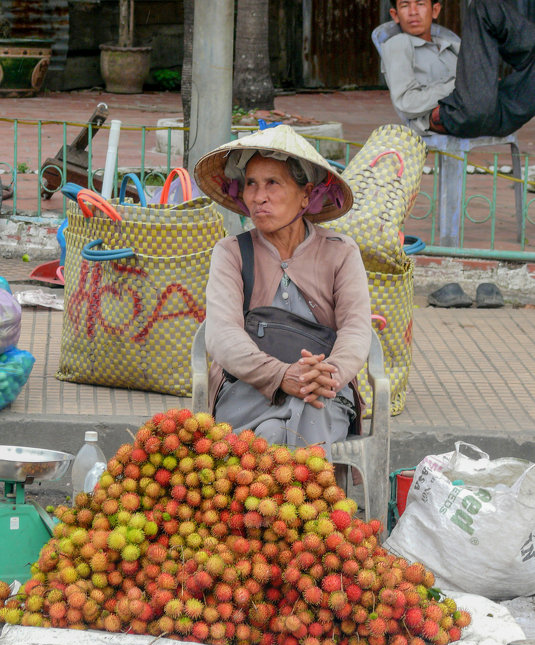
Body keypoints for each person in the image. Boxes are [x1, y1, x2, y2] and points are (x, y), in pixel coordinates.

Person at [193, 125, 371, 461]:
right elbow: (222, 336)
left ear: (305, 194)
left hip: (323, 391)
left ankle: (271, 512)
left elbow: (356, 329)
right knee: (281, 438)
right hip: (248, 390)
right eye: (251, 184)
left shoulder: (341, 252)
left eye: (272, 184)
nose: (259, 197)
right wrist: (280, 375)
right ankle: (316, 511)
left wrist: (328, 374)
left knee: (280, 433)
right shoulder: (231, 252)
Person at [381, 0, 535, 138]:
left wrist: (482, 87)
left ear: (435, 10)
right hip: (455, 115)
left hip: (495, 114)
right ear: (395, 15)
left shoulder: (450, 44)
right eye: (405, 5)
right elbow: (406, 102)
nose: (413, 12)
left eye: (420, 4)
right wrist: (464, 85)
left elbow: (475, 84)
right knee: (482, 7)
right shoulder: (398, 44)